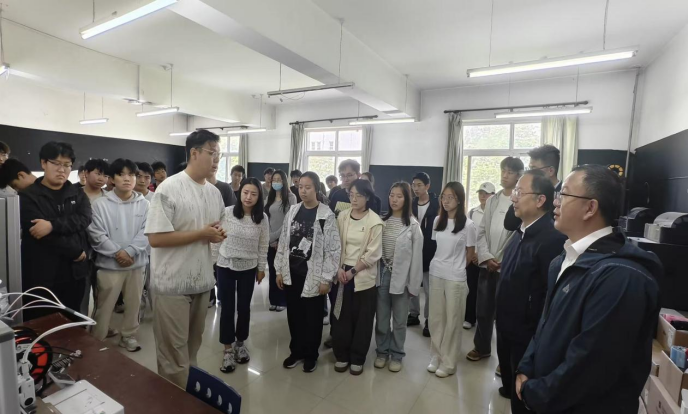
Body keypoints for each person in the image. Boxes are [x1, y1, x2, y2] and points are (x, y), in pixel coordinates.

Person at [515, 165, 662, 414]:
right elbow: (545, 325)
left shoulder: (621, 277)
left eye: (564, 194)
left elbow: (591, 366)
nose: (555, 202)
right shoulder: (564, 260)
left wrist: (535, 393)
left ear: (590, 208)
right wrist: (526, 366)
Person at [145, 130, 227, 388]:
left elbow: (215, 227)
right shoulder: (169, 188)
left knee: (191, 352)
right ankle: (173, 402)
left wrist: (216, 234)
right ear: (194, 153)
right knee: (173, 357)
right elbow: (156, 238)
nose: (216, 160)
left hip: (202, 282)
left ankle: (187, 397)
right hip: (172, 285)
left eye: (219, 155)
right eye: (212, 153)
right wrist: (201, 234)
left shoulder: (214, 192)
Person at [495, 171, 566, 412]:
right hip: (506, 327)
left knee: (522, 396)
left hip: (526, 335)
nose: (513, 197)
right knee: (510, 385)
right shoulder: (520, 232)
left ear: (540, 200)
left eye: (519, 191)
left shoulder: (552, 239)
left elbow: (549, 297)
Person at [276, 172, 342, 373]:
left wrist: (326, 278)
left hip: (313, 275)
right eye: (300, 187)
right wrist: (279, 270)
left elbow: (333, 249)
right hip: (292, 272)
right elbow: (283, 242)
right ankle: (296, 351)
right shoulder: (293, 210)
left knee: (312, 318)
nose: (303, 191)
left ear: (316, 189)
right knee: (294, 316)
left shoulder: (326, 215)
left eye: (308, 187)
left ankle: (311, 355)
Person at [20, 142, 91, 321]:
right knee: (41, 322)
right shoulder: (28, 195)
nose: (62, 169)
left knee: (72, 321)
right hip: (41, 273)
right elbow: (39, 234)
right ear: (43, 163)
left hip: (74, 273)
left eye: (67, 165)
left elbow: (84, 219)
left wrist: (52, 225)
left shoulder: (77, 193)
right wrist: (75, 252)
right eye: (56, 163)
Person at [88, 159, 150, 353]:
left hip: (136, 264)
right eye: (121, 174)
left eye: (131, 175)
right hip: (109, 266)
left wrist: (130, 252)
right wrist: (117, 253)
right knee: (104, 306)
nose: (127, 179)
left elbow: (146, 232)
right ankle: (97, 338)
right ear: (112, 179)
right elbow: (96, 234)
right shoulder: (99, 204)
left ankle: (128, 336)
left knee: (134, 304)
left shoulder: (145, 204)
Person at [468, 157, 523, 372]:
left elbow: (518, 236)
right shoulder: (493, 200)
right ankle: (481, 348)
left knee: (505, 316)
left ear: (519, 175)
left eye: (509, 172)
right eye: (503, 171)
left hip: (507, 268)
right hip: (487, 265)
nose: (504, 175)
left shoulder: (520, 201)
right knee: (483, 310)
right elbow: (481, 232)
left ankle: (505, 359)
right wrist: (486, 257)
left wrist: (501, 261)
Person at [216, 178, 269, 374]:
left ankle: (240, 343)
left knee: (244, 308)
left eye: (253, 194)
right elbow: (217, 238)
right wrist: (213, 262)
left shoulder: (262, 218)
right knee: (227, 308)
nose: (248, 197)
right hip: (225, 265)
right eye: (245, 192)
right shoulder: (227, 212)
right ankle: (227, 349)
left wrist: (261, 268)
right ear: (240, 193)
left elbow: (263, 244)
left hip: (249, 268)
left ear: (259, 196)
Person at [332, 179, 383, 376]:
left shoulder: (375, 221)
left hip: (363, 275)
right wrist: (338, 269)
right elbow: (335, 244)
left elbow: (372, 254)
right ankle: (341, 354)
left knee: (363, 318)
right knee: (341, 315)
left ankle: (357, 357)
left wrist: (352, 271)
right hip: (342, 273)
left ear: (367, 197)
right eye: (351, 195)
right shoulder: (343, 216)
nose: (353, 199)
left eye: (358, 196)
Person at [426, 182, 477, 378]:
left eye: (450, 197)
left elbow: (470, 253)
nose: (445, 201)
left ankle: (449, 362)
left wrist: (458, 268)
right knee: (436, 318)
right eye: (443, 197)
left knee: (453, 320)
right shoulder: (437, 220)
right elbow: (437, 246)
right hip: (436, 272)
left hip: (455, 277)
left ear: (459, 200)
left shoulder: (468, 225)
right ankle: (436, 355)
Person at [374, 182, 423, 373]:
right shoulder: (381, 221)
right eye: (391, 195)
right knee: (382, 318)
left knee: (400, 320)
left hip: (402, 278)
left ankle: (396, 354)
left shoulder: (413, 226)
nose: (394, 199)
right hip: (382, 274)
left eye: (399, 196)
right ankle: (382, 352)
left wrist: (413, 286)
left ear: (407, 199)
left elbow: (417, 259)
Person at [408, 172, 439, 338]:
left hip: (430, 249)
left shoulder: (436, 203)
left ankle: (428, 319)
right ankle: (413, 314)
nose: (416, 188)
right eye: (414, 185)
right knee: (412, 283)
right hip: (413, 248)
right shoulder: (411, 203)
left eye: (419, 185)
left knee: (428, 288)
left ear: (427, 186)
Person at [505, 145, 562, 232]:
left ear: (551, 171)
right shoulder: (525, 191)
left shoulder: (565, 196)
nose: (530, 173)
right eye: (529, 168)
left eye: (534, 169)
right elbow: (510, 224)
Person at [265, 170, 297, 312]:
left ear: (284, 181)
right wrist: (270, 238)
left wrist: (277, 238)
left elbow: (290, 220)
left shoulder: (291, 197)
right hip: (270, 241)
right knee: (272, 271)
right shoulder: (269, 197)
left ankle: (282, 300)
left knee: (283, 271)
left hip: (284, 240)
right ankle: (273, 299)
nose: (276, 182)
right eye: (274, 180)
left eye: (279, 179)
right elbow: (266, 219)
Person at [464, 182, 495, 330]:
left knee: (487, 292)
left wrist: (484, 255)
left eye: (486, 193)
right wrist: (473, 254)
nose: (483, 196)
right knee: (471, 289)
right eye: (481, 193)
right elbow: (469, 235)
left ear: (493, 195)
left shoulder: (496, 213)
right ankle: (469, 318)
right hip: (473, 257)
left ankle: (486, 321)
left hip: (490, 258)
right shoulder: (472, 213)